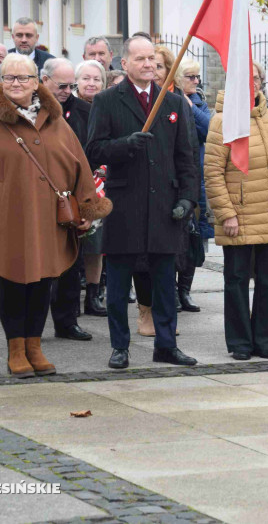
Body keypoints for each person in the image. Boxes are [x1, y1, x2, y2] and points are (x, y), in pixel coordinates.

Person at [0, 53, 111, 378]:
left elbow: (78, 164)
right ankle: (16, 350)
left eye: (23, 77)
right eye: (9, 77)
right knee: (12, 285)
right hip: (7, 221)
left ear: (36, 83)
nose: (16, 83)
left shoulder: (55, 121)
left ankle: (34, 347)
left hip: (49, 220)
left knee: (42, 284)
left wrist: (87, 207)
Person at [86, 35, 199, 370]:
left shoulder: (173, 102)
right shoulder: (107, 100)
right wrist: (125, 145)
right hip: (125, 206)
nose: (148, 64)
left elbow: (186, 157)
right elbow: (93, 150)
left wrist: (188, 198)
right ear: (124, 64)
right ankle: (120, 346)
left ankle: (166, 345)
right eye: (140, 59)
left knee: (164, 283)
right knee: (119, 285)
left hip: (165, 206)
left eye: (151, 58)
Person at [204, 82, 268, 359]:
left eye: (256, 79)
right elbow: (212, 173)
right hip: (239, 215)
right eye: (246, 78)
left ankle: (265, 340)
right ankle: (239, 343)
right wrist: (226, 213)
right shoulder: (221, 120)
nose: (252, 84)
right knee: (237, 279)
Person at [41, 57, 97, 340]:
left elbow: (91, 154)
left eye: (71, 86)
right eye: (61, 86)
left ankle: (67, 321)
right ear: (44, 81)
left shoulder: (85, 111)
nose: (67, 92)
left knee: (70, 263)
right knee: (38, 264)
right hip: (38, 196)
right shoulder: (30, 110)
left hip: (71, 197)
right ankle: (32, 324)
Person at [72, 60, 109, 315]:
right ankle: (69, 297)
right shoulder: (69, 109)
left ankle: (93, 296)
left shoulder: (107, 106)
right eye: (86, 78)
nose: (91, 83)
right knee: (71, 245)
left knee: (96, 246)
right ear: (76, 82)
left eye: (97, 79)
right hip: (72, 184)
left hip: (101, 184)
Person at [175, 57, 211, 313]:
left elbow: (209, 129)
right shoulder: (168, 99)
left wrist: (190, 106)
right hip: (174, 176)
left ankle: (185, 290)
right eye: (190, 76)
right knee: (174, 237)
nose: (196, 81)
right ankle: (170, 290)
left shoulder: (198, 101)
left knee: (194, 236)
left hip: (196, 177)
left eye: (197, 76)